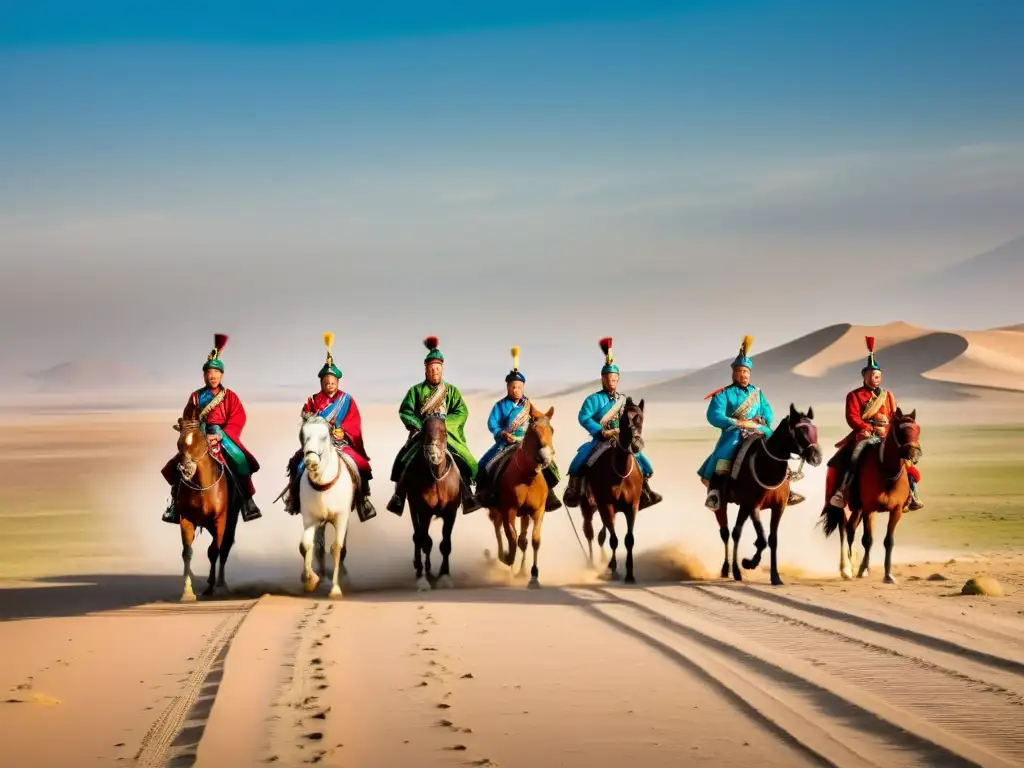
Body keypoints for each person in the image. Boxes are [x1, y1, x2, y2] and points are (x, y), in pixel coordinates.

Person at [160, 334, 262, 524]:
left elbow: (238, 418)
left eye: (216, 373)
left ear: (221, 375)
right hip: (199, 436)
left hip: (222, 436)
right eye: (209, 373)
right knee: (179, 464)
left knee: (239, 460)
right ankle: (174, 505)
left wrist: (221, 436)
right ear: (204, 375)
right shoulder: (196, 397)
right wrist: (189, 432)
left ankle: (248, 502)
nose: (212, 376)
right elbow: (189, 420)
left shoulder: (230, 396)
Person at [697, 335, 805, 509]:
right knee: (725, 451)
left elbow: (767, 410)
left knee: (778, 446)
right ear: (734, 373)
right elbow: (714, 414)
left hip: (758, 428)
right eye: (740, 371)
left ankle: (787, 486)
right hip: (734, 430)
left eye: (746, 371)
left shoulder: (757, 392)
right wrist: (736, 422)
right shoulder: (724, 394)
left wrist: (763, 421)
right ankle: (715, 492)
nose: (743, 374)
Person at [282, 332, 376, 521]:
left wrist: (344, 432)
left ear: (338, 382)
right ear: (321, 383)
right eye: (326, 382)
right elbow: (305, 422)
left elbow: (354, 421)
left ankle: (363, 500)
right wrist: (308, 419)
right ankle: (295, 499)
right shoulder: (313, 400)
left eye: (333, 382)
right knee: (297, 464)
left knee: (361, 465)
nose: (330, 385)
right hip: (317, 445)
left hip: (341, 443)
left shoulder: (346, 400)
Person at [562, 337, 662, 509]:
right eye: (608, 378)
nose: (611, 381)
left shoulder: (623, 401)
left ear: (618, 379)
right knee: (580, 460)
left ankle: (645, 491)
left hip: (620, 440)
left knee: (644, 463)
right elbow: (584, 417)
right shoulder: (593, 399)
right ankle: (574, 491)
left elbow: (630, 421)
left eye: (614, 378)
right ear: (603, 379)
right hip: (601, 439)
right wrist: (600, 431)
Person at [386, 336, 482, 515]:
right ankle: (399, 497)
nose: (434, 372)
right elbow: (405, 411)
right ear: (425, 370)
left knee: (463, 460)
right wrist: (421, 425)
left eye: (437, 369)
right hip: (423, 435)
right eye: (431, 369)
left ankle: (467, 494)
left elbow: (461, 412)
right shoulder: (415, 391)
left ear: (442, 369)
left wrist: (443, 424)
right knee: (403, 460)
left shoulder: (451, 391)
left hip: (445, 435)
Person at [826, 336, 923, 510]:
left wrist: (890, 426)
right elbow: (852, 417)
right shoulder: (854, 395)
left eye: (878, 375)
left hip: (886, 435)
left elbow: (894, 415)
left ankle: (913, 494)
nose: (875, 378)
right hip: (866, 434)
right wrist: (870, 427)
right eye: (872, 375)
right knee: (855, 454)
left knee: (905, 458)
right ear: (865, 376)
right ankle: (842, 491)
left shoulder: (888, 396)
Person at [473, 346, 562, 511]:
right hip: (505, 443)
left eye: (519, 387)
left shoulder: (528, 405)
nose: (516, 390)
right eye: (513, 387)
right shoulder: (500, 406)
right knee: (485, 464)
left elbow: (539, 420)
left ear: (523, 388)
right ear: (508, 387)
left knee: (548, 463)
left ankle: (548, 494)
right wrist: (501, 433)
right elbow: (492, 423)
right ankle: (485, 494)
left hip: (525, 443)